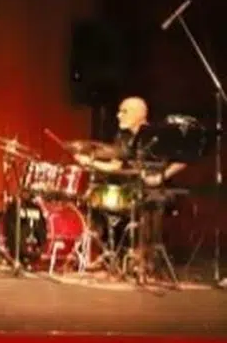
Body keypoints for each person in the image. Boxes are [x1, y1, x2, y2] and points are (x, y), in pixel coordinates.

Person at [75, 97, 185, 279]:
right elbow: (115, 166)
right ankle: (108, 254)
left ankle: (143, 257)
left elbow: (183, 159)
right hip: (130, 189)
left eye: (124, 111)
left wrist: (161, 176)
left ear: (139, 114)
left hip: (157, 190)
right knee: (95, 198)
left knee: (147, 200)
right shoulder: (122, 137)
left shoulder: (158, 135)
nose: (118, 115)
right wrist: (90, 162)